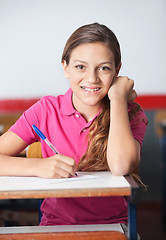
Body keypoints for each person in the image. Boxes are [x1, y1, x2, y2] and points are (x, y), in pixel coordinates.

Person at [0, 22, 148, 226]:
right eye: (80, 67)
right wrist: (38, 166)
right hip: (56, 226)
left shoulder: (130, 113)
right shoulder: (46, 110)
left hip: (113, 227)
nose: (92, 78)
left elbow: (121, 165)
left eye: (104, 68)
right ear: (66, 68)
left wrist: (118, 99)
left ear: (117, 71)